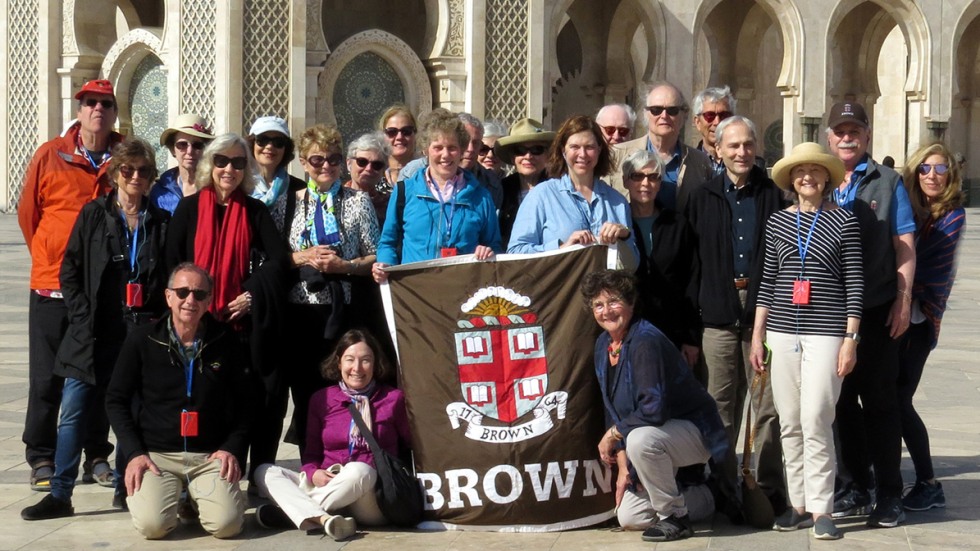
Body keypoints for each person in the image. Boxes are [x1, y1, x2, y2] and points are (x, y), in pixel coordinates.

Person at [20, 137, 170, 520]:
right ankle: (60, 492)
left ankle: (125, 487)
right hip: (92, 332)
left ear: (152, 177)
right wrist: (82, 314)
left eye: (144, 171)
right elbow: (69, 270)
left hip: (136, 332)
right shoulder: (93, 214)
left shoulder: (160, 222)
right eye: (128, 170)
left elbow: (169, 275)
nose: (136, 177)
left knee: (130, 413)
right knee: (73, 410)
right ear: (116, 174)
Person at [749, 142, 863, 540]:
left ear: (827, 177)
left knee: (817, 415)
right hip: (781, 330)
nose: (807, 178)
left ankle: (822, 508)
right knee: (790, 419)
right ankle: (797, 504)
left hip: (827, 331)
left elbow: (854, 284)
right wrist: (758, 335)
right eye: (800, 172)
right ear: (791, 180)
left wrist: (851, 338)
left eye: (815, 171)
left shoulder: (844, 221)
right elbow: (768, 281)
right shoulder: (779, 222)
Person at [17, 78, 123, 492]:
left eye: (106, 103)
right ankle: (41, 456)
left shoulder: (122, 159)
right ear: (79, 110)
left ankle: (96, 454)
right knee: (46, 378)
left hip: (101, 292)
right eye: (90, 102)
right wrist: (49, 257)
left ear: (115, 111)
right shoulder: (51, 154)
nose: (98, 109)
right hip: (52, 288)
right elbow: (29, 216)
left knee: (96, 375)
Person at [165, 133, 289, 481]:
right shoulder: (189, 209)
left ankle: (259, 473)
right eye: (221, 161)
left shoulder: (253, 210)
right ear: (210, 164)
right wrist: (189, 303)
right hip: (199, 324)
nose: (229, 169)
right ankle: (205, 474)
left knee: (256, 398)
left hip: (238, 324)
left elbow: (279, 261)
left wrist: (251, 293)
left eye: (237, 162)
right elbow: (172, 263)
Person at [105, 263, 251, 539]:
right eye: (182, 292)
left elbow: (247, 401)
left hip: (208, 454)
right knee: (153, 527)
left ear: (209, 300)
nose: (190, 300)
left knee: (226, 526)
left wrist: (231, 448)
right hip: (157, 454)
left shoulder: (226, 340)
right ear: (168, 296)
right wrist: (135, 453)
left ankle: (195, 499)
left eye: (199, 294)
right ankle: (173, 496)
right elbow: (115, 399)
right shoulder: (142, 340)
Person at [687, 116, 788, 513]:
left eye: (748, 145)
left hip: (765, 317)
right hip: (717, 319)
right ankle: (726, 489)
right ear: (718, 148)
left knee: (767, 409)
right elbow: (693, 262)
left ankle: (766, 491)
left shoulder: (775, 194)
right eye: (733, 146)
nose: (742, 152)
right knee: (719, 408)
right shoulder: (704, 196)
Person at [582, 270, 727, 543]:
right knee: (631, 518)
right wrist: (623, 466)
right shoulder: (604, 344)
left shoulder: (645, 340)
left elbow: (654, 409)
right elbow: (612, 411)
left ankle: (675, 517)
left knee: (640, 439)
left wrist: (614, 435)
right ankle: (708, 497)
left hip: (695, 431)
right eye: (598, 305)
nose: (606, 311)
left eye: (613, 301)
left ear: (631, 303)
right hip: (657, 435)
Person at [824, 102, 916, 528]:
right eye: (840, 131)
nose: (847, 137)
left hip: (877, 311)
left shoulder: (887, 181)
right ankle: (854, 486)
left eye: (854, 130)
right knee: (840, 404)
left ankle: (890, 493)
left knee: (880, 404)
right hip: (828, 314)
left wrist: (902, 297)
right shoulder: (817, 177)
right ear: (829, 137)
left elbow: (904, 243)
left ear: (866, 135)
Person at [269, 124, 380, 457]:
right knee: (304, 391)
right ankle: (310, 463)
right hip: (300, 312)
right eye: (317, 160)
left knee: (342, 387)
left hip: (342, 310)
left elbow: (377, 253)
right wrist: (304, 256)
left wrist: (343, 266)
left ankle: (345, 456)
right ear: (304, 162)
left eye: (333, 159)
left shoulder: (358, 202)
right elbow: (274, 258)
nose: (325, 167)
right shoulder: (287, 205)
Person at [253, 329, 411, 541]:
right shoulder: (322, 399)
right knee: (264, 471)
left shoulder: (393, 398)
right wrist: (312, 472)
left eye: (366, 360)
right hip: (330, 482)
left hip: (371, 493)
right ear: (338, 363)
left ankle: (292, 512)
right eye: (350, 360)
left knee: (359, 471)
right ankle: (326, 519)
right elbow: (312, 453)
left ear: (376, 364)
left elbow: (413, 443)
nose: (357, 368)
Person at [897, 142, 966, 512]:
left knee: (899, 399)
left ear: (951, 175)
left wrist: (895, 275)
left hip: (920, 321)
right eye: (925, 168)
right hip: (895, 316)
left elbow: (928, 270)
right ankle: (886, 474)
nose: (932, 176)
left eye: (940, 169)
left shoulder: (951, 216)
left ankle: (928, 482)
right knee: (886, 399)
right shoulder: (909, 209)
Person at [372, 109, 501, 280]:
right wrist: (385, 264)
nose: (445, 155)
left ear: (462, 150)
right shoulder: (405, 191)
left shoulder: (481, 196)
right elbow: (388, 242)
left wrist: (488, 252)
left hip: (463, 292)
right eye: (438, 147)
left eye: (452, 148)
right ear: (426, 150)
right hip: (416, 293)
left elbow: (494, 245)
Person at [507, 114, 638, 268]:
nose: (582, 154)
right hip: (560, 290)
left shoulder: (617, 202)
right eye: (575, 147)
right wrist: (561, 248)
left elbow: (633, 264)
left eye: (589, 147)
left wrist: (624, 236)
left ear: (599, 150)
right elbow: (515, 252)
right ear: (563, 151)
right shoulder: (541, 196)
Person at [619, 150, 699, 367]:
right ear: (626, 181)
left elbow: (691, 281)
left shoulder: (677, 225)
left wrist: (690, 338)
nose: (646, 183)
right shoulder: (618, 225)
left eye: (653, 177)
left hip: (671, 331)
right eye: (638, 176)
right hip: (627, 331)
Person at [609, 82, 713, 212]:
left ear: (684, 115)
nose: (664, 116)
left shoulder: (700, 162)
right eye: (656, 110)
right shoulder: (617, 156)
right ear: (645, 114)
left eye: (672, 110)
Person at [401, 112, 504, 209]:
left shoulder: (491, 184)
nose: (470, 149)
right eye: (465, 141)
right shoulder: (412, 173)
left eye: (476, 143)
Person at [493, 118, 555, 244]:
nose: (528, 156)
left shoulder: (557, 189)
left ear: (548, 155)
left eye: (537, 150)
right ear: (512, 157)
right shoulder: (501, 189)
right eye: (520, 150)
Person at [150, 113, 215, 213]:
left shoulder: (215, 186)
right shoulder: (160, 190)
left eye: (197, 145)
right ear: (172, 149)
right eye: (182, 145)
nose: (189, 151)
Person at [247, 116, 306, 207]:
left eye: (278, 142)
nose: (270, 146)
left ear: (285, 149)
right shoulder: (239, 184)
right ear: (252, 144)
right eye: (262, 140)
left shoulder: (299, 188)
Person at [344, 132, 391, 226]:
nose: (369, 168)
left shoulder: (390, 205)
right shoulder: (335, 200)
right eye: (362, 162)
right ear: (349, 164)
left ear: (383, 170)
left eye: (377, 165)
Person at [692, 86, 736, 175]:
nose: (717, 122)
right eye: (710, 115)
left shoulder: (749, 164)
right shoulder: (688, 164)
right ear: (698, 122)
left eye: (724, 115)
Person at [378, 104, 419, 188]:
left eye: (406, 131)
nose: (399, 137)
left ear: (415, 135)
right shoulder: (373, 174)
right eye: (392, 132)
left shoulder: (426, 174)